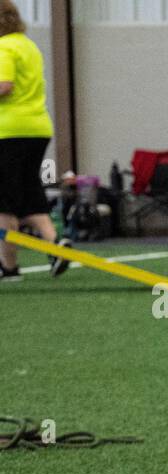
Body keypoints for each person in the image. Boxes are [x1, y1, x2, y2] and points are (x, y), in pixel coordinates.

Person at [0, 0, 70, 282]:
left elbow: (4, 86)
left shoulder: (3, 48)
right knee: (29, 193)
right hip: (38, 127)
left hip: (9, 131)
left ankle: (9, 266)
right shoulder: (28, 46)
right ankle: (56, 246)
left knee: (3, 202)